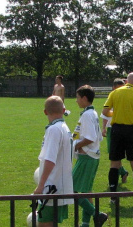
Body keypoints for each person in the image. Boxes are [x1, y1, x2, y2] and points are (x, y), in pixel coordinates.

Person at [101, 72, 133, 206]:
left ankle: (113, 196)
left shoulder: (115, 93)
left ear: (126, 81)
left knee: (115, 164)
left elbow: (105, 112)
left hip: (116, 130)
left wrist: (116, 112)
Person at [33, 96, 73, 227]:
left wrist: (41, 185)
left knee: (44, 224)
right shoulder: (64, 127)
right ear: (64, 110)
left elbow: (50, 160)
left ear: (45, 112)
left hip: (51, 188)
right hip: (61, 186)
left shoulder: (53, 129)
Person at [72, 85, 108, 227]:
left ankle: (97, 214)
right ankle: (85, 224)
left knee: (71, 190)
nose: (76, 101)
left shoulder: (87, 115)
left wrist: (74, 145)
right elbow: (98, 137)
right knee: (86, 191)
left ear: (84, 98)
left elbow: (91, 138)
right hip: (93, 156)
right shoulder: (91, 113)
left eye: (77, 98)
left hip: (87, 157)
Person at [100, 78, 129, 184]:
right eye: (118, 88)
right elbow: (104, 114)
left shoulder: (126, 97)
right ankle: (123, 172)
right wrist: (103, 128)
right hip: (111, 128)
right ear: (113, 87)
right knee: (112, 154)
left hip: (121, 127)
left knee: (115, 154)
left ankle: (117, 176)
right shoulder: (111, 97)